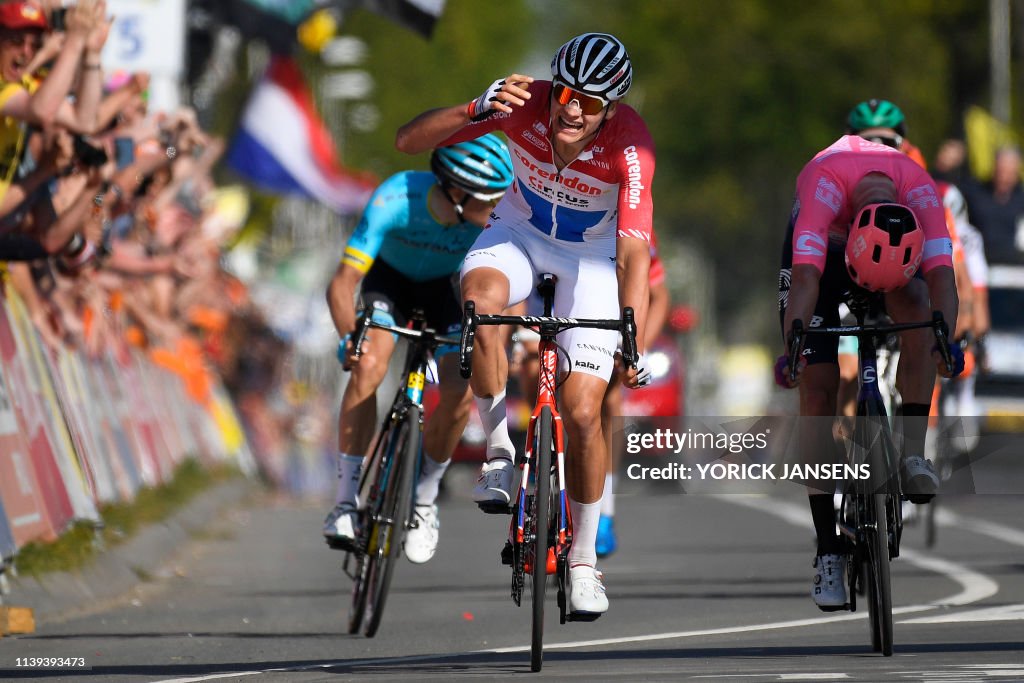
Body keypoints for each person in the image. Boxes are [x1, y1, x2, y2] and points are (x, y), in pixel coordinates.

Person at [395, 32, 655, 618]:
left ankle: (585, 560)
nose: (570, 108)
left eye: (589, 103)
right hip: (518, 237)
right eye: (564, 92)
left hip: (591, 260)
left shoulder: (631, 146)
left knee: (585, 410)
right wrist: (473, 108)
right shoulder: (521, 106)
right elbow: (407, 141)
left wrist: (629, 327)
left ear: (609, 109)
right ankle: (498, 455)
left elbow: (634, 249)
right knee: (482, 305)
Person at [776, 134, 963, 611]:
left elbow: (942, 276)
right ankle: (828, 550)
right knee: (816, 394)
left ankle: (913, 454)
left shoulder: (920, 192)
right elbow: (805, 279)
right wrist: (794, 344)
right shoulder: (823, 185)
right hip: (828, 259)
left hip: (898, 260)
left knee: (923, 315)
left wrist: (947, 340)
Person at [322, 134, 514, 565]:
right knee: (369, 365)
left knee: (459, 388)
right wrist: (349, 337)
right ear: (458, 192)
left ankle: (425, 500)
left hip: (444, 291)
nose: (498, 208)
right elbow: (342, 283)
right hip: (388, 283)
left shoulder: (488, 223)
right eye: (491, 198)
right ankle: (345, 501)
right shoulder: (395, 197)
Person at [960, 145, 1024, 265]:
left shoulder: (1021, 199)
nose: (1004, 177)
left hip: (1015, 268)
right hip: (978, 264)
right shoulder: (975, 192)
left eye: (1009, 172)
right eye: (1001, 170)